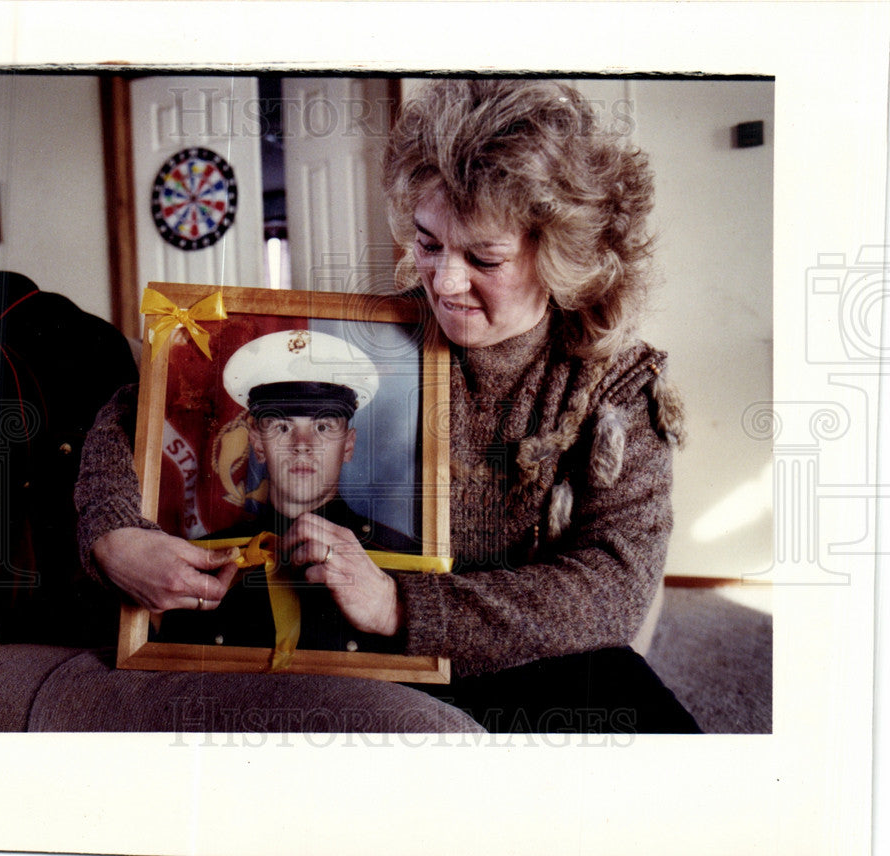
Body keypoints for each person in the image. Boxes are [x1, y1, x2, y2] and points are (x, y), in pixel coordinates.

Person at [75, 78, 699, 732]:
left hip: (516, 656)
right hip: (354, 660)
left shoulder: (617, 382)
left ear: (562, 255)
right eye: (429, 244)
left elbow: (614, 589)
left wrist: (403, 606)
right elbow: (133, 411)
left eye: (484, 257)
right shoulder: (373, 333)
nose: (446, 283)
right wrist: (112, 534)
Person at [155, 329, 418, 653]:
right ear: (257, 443)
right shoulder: (208, 562)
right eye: (282, 427)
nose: (302, 446)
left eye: (322, 427)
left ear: (348, 445)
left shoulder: (400, 564)